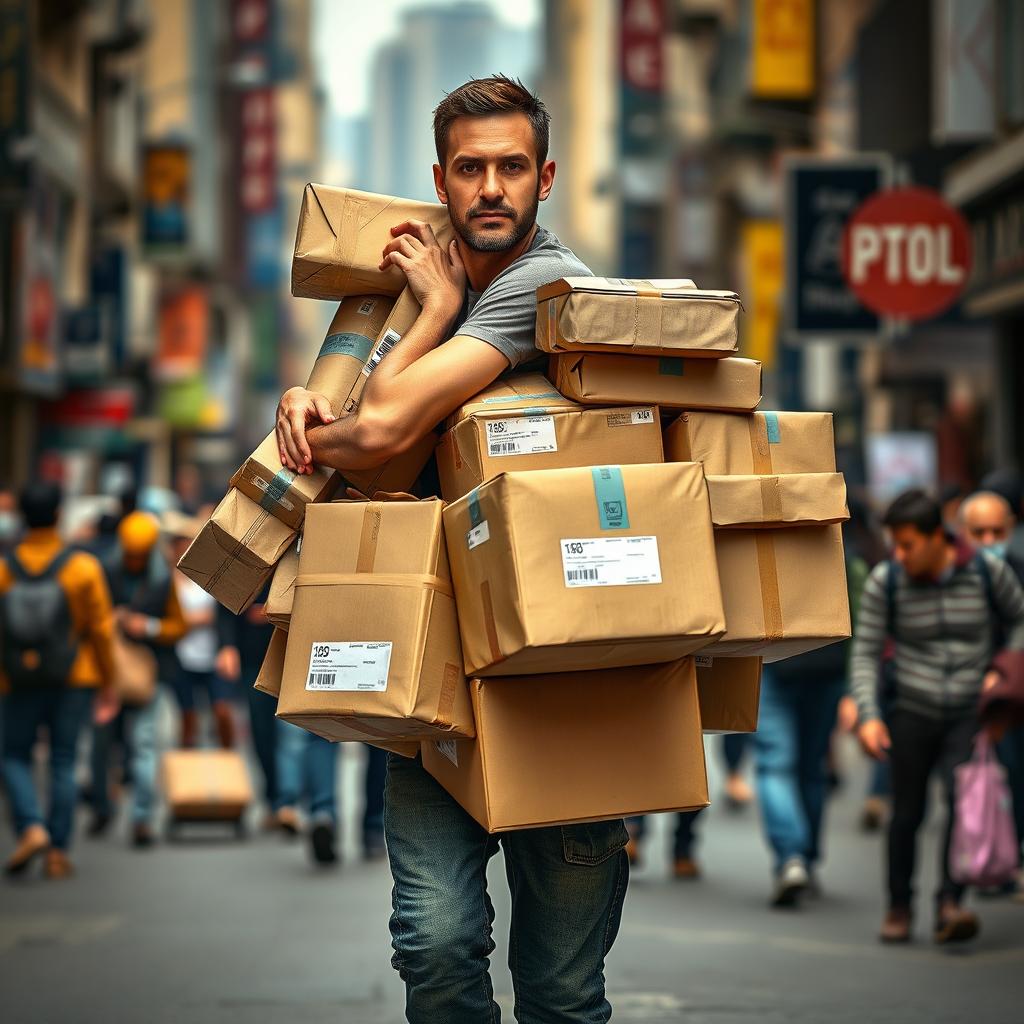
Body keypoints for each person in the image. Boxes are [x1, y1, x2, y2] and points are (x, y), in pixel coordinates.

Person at [275, 77, 627, 1022]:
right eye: (470, 169)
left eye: (512, 166)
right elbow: (356, 442)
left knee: (559, 990)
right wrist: (316, 406)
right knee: (433, 947)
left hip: (569, 682)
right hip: (435, 679)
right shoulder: (420, 277)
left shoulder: (542, 286)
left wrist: (424, 323)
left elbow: (383, 425)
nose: (491, 188)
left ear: (545, 177)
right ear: (441, 178)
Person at [850, 489, 1024, 944]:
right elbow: (866, 653)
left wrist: (1002, 672)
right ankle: (899, 906)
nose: (900, 554)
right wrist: (869, 715)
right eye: (896, 545)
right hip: (912, 708)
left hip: (970, 711)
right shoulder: (886, 581)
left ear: (936, 538)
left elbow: (1020, 619)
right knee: (906, 813)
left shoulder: (987, 572)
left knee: (962, 803)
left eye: (908, 544)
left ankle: (950, 902)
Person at [0, 481, 116, 879]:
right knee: (64, 759)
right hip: (74, 676)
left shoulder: (3, 569)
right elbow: (101, 630)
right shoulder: (81, 568)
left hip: (15, 680)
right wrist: (108, 682)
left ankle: (30, 826)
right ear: (57, 516)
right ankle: (57, 850)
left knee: (13, 755)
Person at [98, 511, 187, 848]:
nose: (134, 561)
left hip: (148, 675)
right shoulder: (105, 572)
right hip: (106, 673)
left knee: (144, 744)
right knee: (100, 744)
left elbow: (179, 628)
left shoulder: (163, 579)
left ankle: (141, 818)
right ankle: (101, 805)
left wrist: (148, 627)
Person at [958, 489, 1024, 889]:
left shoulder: (1019, 570)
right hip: (961, 696)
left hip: (1013, 696)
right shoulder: (948, 574)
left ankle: (1007, 856)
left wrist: (1003, 671)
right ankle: (976, 859)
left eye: (997, 531)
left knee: (1014, 773)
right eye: (978, 531)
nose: (988, 541)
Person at [168, 520, 235, 749]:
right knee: (188, 719)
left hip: (212, 658)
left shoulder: (211, 577)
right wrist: (190, 620)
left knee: (223, 711)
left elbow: (220, 613)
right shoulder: (168, 581)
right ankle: (188, 773)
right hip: (182, 659)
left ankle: (229, 761)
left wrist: (187, 620)